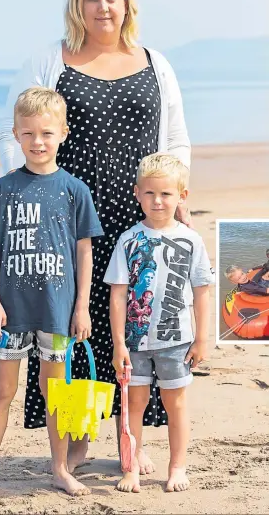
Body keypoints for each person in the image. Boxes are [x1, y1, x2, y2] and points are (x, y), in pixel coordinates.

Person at [0, 0, 192, 472]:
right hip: (69, 218)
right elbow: (10, 131)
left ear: (127, 4)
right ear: (77, 6)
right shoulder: (49, 61)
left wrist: (177, 197)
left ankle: (133, 439)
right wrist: (31, 197)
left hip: (140, 215)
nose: (102, 7)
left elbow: (175, 138)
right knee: (73, 324)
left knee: (139, 325)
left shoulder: (156, 62)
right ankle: (77, 437)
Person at [0, 87, 104, 502]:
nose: (38, 142)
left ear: (63, 133)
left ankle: (59, 468)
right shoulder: (4, 189)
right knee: (1, 391)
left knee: (55, 392)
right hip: (11, 313)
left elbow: (84, 251)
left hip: (58, 312)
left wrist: (81, 308)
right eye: (28, 134)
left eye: (46, 133)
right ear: (16, 136)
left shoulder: (75, 190)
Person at [105, 153, 213, 493]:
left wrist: (202, 339)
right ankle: (131, 467)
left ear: (182, 196)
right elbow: (118, 296)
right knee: (133, 404)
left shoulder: (191, 240)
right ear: (137, 193)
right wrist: (119, 342)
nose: (157, 201)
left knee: (175, 404)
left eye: (166, 194)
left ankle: (177, 466)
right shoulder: (128, 240)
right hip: (135, 343)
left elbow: (202, 292)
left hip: (177, 340)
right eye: (150, 193)